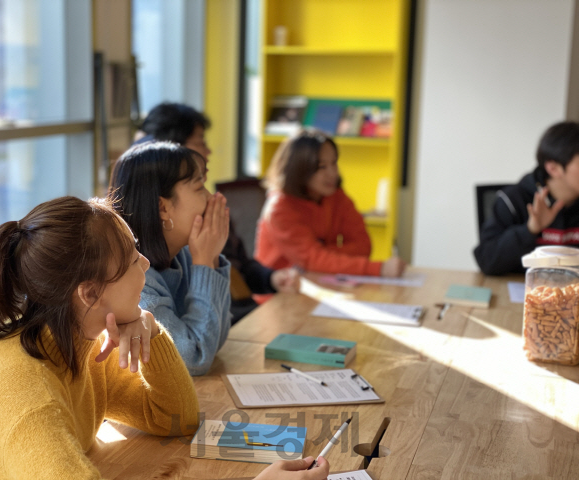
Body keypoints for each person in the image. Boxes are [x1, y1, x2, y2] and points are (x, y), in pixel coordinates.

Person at [0, 196, 200, 479]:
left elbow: (178, 419)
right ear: (89, 293)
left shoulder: (87, 346)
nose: (146, 263)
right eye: (132, 259)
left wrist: (151, 332)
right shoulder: (25, 392)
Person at [135, 102, 299, 322]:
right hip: (221, 310)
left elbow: (239, 262)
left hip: (227, 308)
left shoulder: (202, 204)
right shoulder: (153, 258)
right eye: (201, 141)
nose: (209, 151)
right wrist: (206, 261)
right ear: (171, 149)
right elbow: (192, 349)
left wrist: (271, 278)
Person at [110, 141, 231, 376]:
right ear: (162, 207)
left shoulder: (183, 255)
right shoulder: (132, 278)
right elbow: (193, 358)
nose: (211, 197)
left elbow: (216, 339)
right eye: (199, 188)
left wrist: (211, 257)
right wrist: (206, 262)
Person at [255, 128, 406, 277]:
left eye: (334, 163)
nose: (333, 173)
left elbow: (363, 246)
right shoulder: (279, 208)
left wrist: (323, 255)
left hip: (321, 281)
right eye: (322, 167)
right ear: (299, 168)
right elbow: (313, 261)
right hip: (279, 294)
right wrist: (378, 269)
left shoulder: (335, 195)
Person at [474, 121, 579, 275]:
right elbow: (487, 261)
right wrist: (530, 230)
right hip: (522, 293)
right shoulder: (513, 200)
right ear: (553, 168)